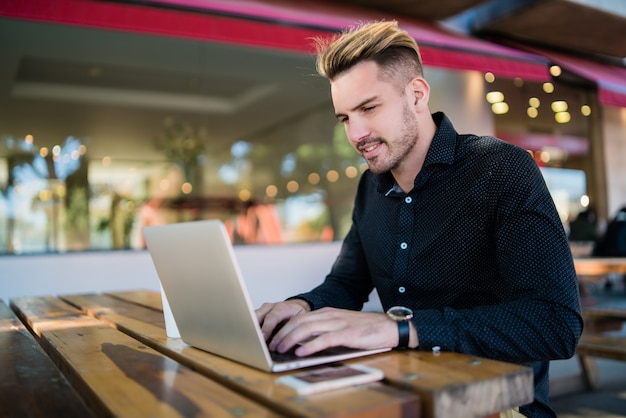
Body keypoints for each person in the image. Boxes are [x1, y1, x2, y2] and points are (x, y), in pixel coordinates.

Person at [255, 21, 582, 417]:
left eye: (369, 108)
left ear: (416, 94)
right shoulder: (369, 188)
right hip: (406, 393)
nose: (356, 134)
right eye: (344, 118)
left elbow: (556, 324)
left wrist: (402, 329)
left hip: (497, 405)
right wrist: (301, 307)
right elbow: (346, 283)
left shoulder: (501, 170)